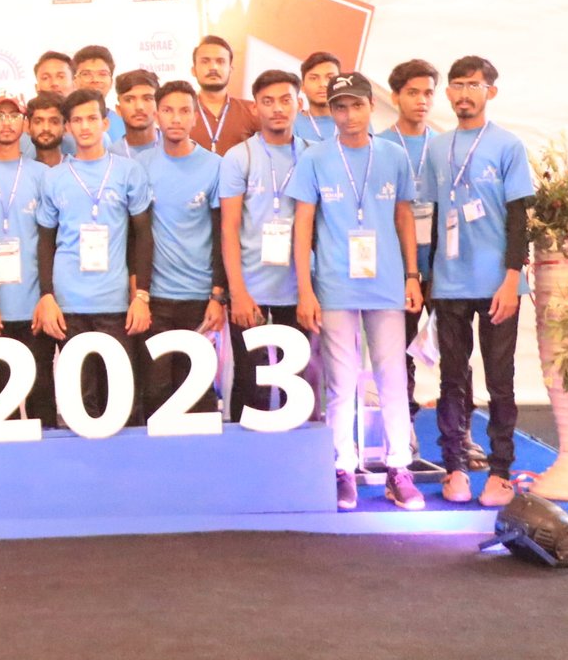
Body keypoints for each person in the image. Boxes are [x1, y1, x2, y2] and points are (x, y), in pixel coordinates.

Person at [287, 72, 424, 511]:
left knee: (392, 378)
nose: (349, 115)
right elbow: (303, 225)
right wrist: (305, 289)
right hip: (335, 285)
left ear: (370, 106)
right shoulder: (314, 158)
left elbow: (403, 217)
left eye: (356, 105)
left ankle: (398, 468)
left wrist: (412, 275)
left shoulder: (393, 155)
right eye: (340, 107)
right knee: (342, 383)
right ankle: (342, 467)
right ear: (330, 111)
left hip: (386, 283)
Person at [420, 55, 535, 507]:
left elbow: (518, 218)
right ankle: (455, 467)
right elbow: (431, 217)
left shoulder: (508, 145)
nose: (464, 93)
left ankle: (501, 472)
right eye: (457, 85)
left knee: (501, 381)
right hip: (448, 282)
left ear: (490, 91)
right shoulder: (436, 148)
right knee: (451, 379)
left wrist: (512, 279)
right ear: (448, 93)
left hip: (496, 284)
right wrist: (426, 277)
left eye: (474, 84)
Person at [34, 88, 153, 417]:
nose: (84, 126)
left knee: (121, 400)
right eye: (76, 120)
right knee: (81, 401)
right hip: (68, 304)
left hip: (115, 303)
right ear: (67, 127)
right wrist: (47, 296)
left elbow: (143, 236)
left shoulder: (128, 171)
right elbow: (45, 241)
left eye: (91, 118)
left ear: (105, 122)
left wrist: (141, 296)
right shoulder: (53, 178)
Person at [219, 70, 315, 422]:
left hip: (299, 289)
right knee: (251, 384)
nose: (277, 109)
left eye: (286, 100)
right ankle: (246, 451)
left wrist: (308, 292)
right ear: (255, 107)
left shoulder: (313, 156)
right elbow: (229, 228)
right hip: (251, 289)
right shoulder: (238, 157)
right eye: (268, 101)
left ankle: (294, 454)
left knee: (297, 386)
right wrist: (237, 292)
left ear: (299, 104)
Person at [133, 82, 226, 424]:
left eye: (185, 110)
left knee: (198, 395)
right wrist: (138, 294)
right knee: (156, 392)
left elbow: (221, 235)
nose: (176, 118)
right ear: (156, 115)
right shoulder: (139, 166)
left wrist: (218, 296)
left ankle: (201, 459)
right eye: (168, 110)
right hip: (155, 298)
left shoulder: (215, 166)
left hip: (200, 300)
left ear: (195, 116)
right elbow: (135, 236)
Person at [0, 90, 54, 425]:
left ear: (25, 123)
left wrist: (47, 297)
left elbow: (51, 241)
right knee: (0, 403)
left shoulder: (42, 174)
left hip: (34, 306)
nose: (6, 123)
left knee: (42, 396)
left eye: (13, 116)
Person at [379, 60, 439, 426]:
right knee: (398, 352)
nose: (421, 101)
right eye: (413, 93)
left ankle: (458, 432)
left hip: (442, 267)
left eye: (428, 93)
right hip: (397, 270)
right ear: (395, 96)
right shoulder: (379, 145)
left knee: (453, 350)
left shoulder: (443, 145)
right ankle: (404, 428)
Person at [190, 35, 258, 155]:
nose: (213, 67)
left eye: (220, 61)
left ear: (230, 69)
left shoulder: (252, 111)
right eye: (205, 61)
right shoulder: (181, 112)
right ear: (194, 70)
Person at [72, 45, 126, 142]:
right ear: (74, 81)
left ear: (111, 82)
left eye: (102, 74)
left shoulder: (124, 122)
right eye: (86, 74)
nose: (95, 80)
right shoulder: (64, 121)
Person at [295, 52, 341, 143]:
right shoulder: (290, 125)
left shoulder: (356, 121)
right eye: (314, 78)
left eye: (330, 78)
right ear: (302, 86)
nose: (323, 84)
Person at [113, 70, 161, 158]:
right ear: (118, 109)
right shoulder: (110, 156)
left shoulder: (179, 148)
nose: (139, 107)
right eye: (129, 100)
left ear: (159, 106)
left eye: (147, 99)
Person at [27, 92, 66, 168]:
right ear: (28, 127)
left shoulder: (78, 170)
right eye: (38, 122)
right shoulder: (23, 171)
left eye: (54, 122)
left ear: (65, 128)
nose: (46, 128)